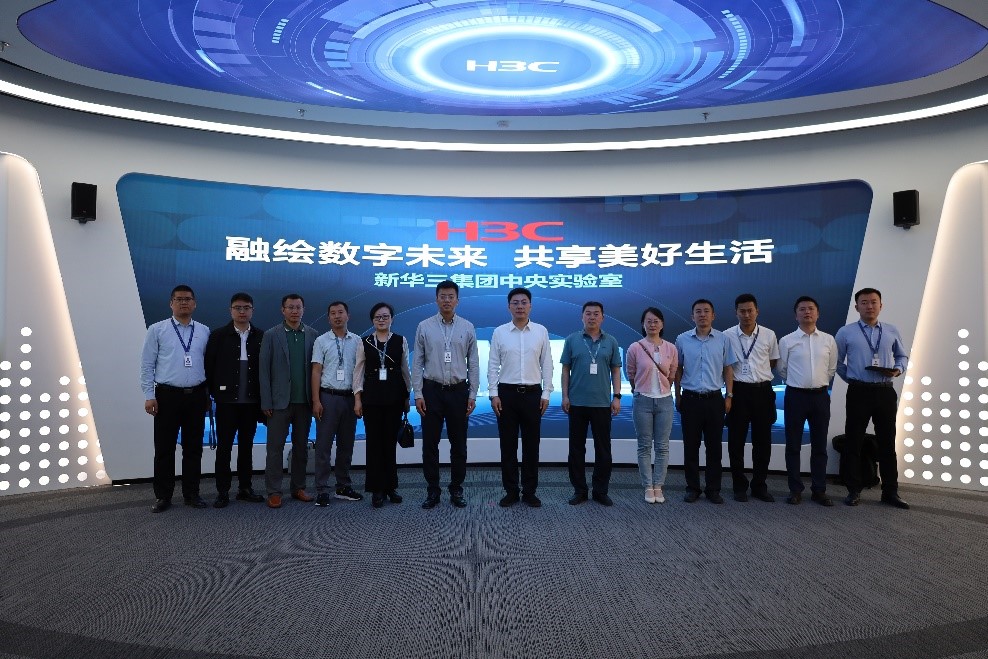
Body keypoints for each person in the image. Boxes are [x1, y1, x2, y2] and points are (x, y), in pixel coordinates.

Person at [835, 287, 910, 509]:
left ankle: (890, 492)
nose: (869, 306)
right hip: (858, 392)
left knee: (887, 441)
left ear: (881, 305)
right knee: (854, 441)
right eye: (864, 302)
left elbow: (902, 356)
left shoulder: (891, 330)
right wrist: (852, 378)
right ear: (856, 306)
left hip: (885, 391)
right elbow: (836, 362)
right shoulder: (846, 332)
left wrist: (897, 370)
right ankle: (853, 489)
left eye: (874, 302)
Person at [140, 285, 211, 513]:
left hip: (196, 396)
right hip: (167, 396)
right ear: (171, 303)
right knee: (164, 448)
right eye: (179, 299)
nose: (183, 303)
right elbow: (147, 365)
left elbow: (208, 365)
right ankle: (163, 496)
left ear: (194, 304)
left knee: (193, 448)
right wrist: (149, 395)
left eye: (188, 299)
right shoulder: (157, 329)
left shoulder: (204, 331)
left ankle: (192, 494)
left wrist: (208, 395)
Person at [412, 281, 479, 510]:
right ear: (436, 299)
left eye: (451, 296)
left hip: (459, 392)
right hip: (431, 391)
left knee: (458, 444)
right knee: (430, 444)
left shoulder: (467, 327)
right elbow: (417, 362)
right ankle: (433, 489)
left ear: (457, 300)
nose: (447, 300)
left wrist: (472, 393)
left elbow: (474, 363)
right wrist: (418, 393)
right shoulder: (424, 326)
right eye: (443, 296)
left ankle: (456, 488)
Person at [488, 287, 554, 508]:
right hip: (506, 394)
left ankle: (529, 491)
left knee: (531, 446)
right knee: (508, 446)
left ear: (530, 306)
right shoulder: (500, 332)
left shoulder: (541, 331)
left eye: (524, 302)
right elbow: (493, 365)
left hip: (533, 394)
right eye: (515, 303)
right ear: (509, 307)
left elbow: (547, 364)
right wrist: (493, 394)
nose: (519, 306)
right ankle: (511, 491)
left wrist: (546, 393)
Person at [204, 292, 265, 508]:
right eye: (238, 308)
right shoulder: (218, 336)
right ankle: (222, 491)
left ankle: (245, 488)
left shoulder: (261, 336)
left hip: (251, 404)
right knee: (224, 448)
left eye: (246, 308)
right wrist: (210, 395)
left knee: (247, 447)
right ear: (230, 310)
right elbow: (209, 368)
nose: (242, 311)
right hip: (226, 403)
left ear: (252, 311)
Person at [776, 296, 838, 506]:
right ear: (796, 315)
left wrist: (816, 383)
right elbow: (782, 369)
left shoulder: (828, 340)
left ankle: (819, 490)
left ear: (817, 313)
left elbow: (831, 369)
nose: (807, 312)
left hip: (820, 397)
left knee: (819, 446)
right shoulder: (787, 341)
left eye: (811, 308)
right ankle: (795, 490)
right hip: (795, 396)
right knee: (793, 445)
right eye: (802, 309)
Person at [560, 301, 623, 506]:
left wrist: (617, 396)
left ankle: (600, 491)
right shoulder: (572, 340)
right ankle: (579, 490)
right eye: (588, 313)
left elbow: (616, 370)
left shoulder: (611, 341)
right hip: (577, 403)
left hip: (602, 404)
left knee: (603, 450)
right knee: (576, 450)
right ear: (582, 317)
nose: (592, 317)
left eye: (596, 314)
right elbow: (565, 370)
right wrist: (565, 396)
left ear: (602, 317)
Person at [259, 293, 319, 509]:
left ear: (303, 309)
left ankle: (298, 487)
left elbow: (317, 369)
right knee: (275, 449)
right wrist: (266, 401)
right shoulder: (271, 335)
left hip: (304, 402)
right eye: (290, 307)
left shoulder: (313, 335)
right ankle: (274, 491)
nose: (294, 311)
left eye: (298, 307)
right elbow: (264, 371)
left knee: (301, 448)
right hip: (278, 403)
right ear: (282, 310)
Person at [674, 299, 735, 504]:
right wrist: (677, 395)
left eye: (706, 311)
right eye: (698, 312)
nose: (702, 315)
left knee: (714, 447)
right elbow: (678, 369)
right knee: (691, 447)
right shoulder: (682, 339)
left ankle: (713, 489)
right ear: (692, 316)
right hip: (690, 399)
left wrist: (729, 395)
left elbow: (728, 368)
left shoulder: (723, 339)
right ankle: (692, 488)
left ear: (713, 315)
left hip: (714, 400)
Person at [354, 302, 412, 508]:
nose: (381, 320)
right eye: (378, 317)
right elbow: (358, 371)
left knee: (389, 443)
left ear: (391, 319)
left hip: (395, 397)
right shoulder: (364, 342)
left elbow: (405, 369)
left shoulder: (400, 340)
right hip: (371, 398)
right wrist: (357, 398)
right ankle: (376, 489)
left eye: (385, 316)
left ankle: (390, 487)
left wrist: (407, 396)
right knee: (374, 444)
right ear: (372, 320)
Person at [724, 293, 780, 502]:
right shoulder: (727, 335)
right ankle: (739, 486)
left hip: (762, 392)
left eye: (750, 310)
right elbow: (726, 366)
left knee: (762, 442)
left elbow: (772, 362)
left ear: (757, 311)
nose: (746, 315)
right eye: (742, 311)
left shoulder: (769, 335)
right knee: (736, 442)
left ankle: (759, 486)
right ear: (736, 312)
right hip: (738, 392)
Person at [310, 301, 363, 507]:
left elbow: (360, 373)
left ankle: (343, 486)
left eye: (341, 312)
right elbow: (316, 371)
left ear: (348, 315)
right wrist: (316, 400)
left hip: (350, 398)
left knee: (346, 445)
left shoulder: (357, 341)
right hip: (328, 397)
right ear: (328, 318)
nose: (337, 316)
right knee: (323, 446)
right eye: (333, 313)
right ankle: (322, 489)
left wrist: (359, 399)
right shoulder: (321, 341)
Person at [625, 307, 678, 504]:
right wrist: (641, 388)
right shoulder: (635, 347)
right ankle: (648, 486)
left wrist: (663, 388)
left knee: (662, 446)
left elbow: (672, 374)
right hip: (643, 400)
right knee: (644, 446)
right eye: (649, 321)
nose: (652, 324)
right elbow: (631, 374)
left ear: (662, 324)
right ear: (643, 324)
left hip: (665, 400)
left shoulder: (671, 348)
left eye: (656, 321)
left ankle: (658, 486)